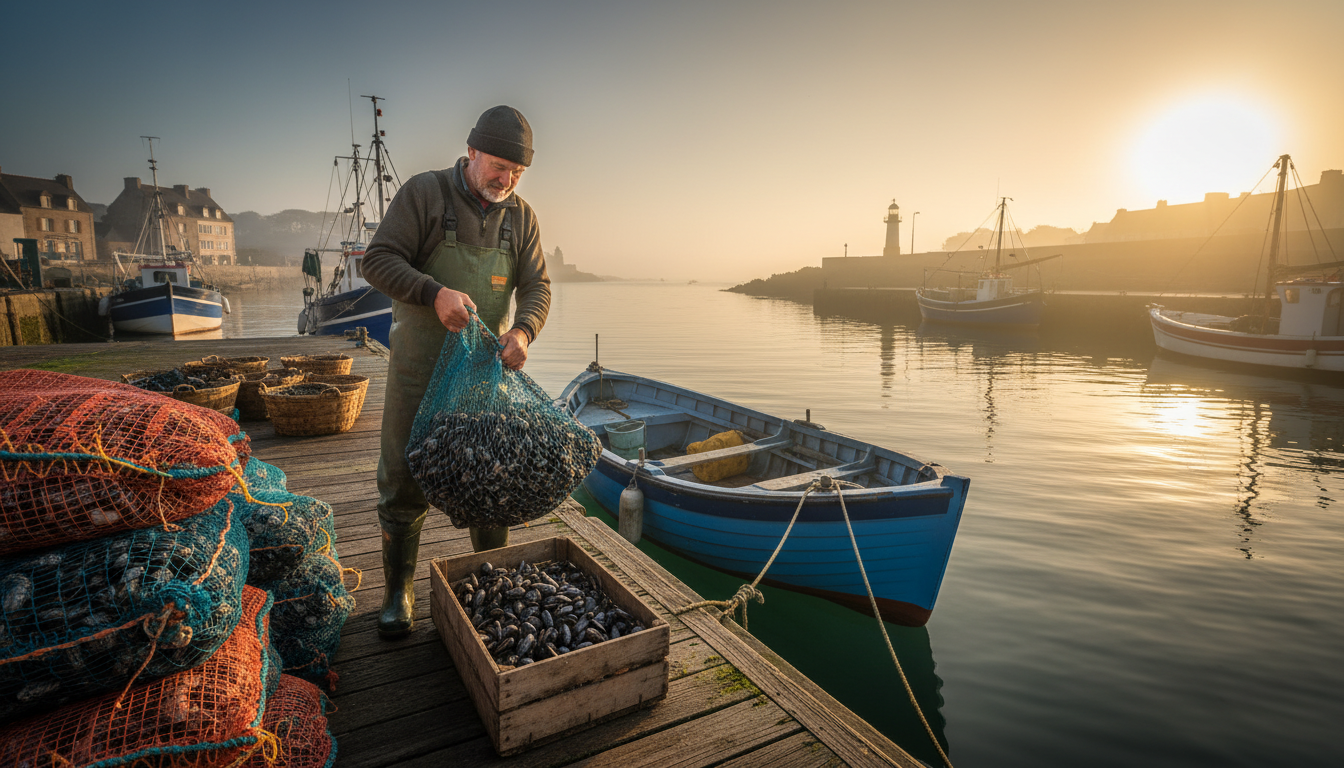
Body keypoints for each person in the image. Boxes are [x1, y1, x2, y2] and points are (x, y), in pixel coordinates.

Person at [361, 105, 551, 639]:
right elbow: (376, 261)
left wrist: (524, 331)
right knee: (401, 477)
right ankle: (399, 591)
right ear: (471, 152)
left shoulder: (523, 218)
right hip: (418, 370)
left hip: (482, 378)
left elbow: (537, 287)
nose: (506, 179)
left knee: (493, 477)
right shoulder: (425, 194)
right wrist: (432, 292)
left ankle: (490, 586)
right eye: (498, 165)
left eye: (517, 172)